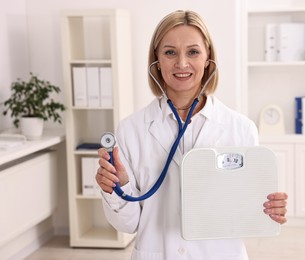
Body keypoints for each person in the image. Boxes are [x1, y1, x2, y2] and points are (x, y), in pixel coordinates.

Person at [96, 10, 288, 260]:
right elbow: (128, 225)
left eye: (193, 52)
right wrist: (119, 185)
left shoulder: (240, 129)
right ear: (156, 60)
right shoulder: (131, 130)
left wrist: (269, 209)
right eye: (170, 52)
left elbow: (246, 213)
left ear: (208, 58)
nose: (182, 63)